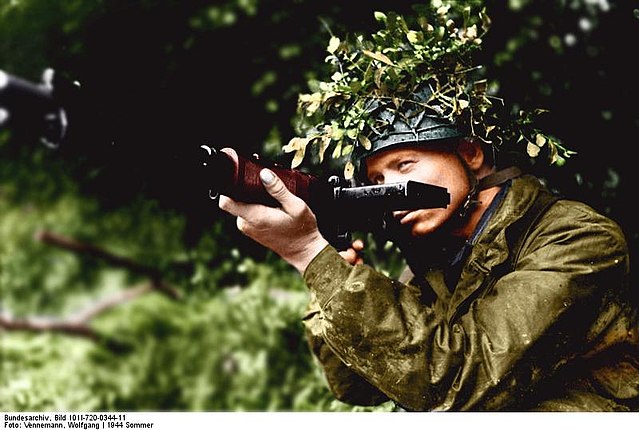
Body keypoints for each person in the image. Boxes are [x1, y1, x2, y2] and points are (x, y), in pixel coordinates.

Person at [217, 4, 638, 411]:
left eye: (405, 165)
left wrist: (308, 252)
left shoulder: (577, 238)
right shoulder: (437, 258)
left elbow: (458, 380)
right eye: (377, 180)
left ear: (470, 154)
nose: (390, 190)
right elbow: (358, 385)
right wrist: (324, 273)